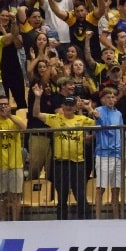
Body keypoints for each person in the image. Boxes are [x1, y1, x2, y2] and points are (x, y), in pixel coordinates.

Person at [31, 84, 96, 220]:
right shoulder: (56, 118)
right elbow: (36, 114)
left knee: (80, 195)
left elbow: (99, 121)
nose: (68, 107)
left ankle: (87, 224)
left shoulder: (82, 119)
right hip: (60, 164)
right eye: (66, 104)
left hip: (78, 163)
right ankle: (61, 225)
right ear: (62, 105)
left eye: (71, 105)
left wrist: (88, 107)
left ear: (75, 107)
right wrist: (38, 98)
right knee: (62, 197)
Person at [0, 95, 26, 221]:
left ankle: (15, 222)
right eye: (0, 104)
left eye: (6, 104)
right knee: (1, 195)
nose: (3, 106)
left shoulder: (14, 119)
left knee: (16, 195)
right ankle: (3, 221)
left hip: (16, 163)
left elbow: (24, 127)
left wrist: (9, 116)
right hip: (0, 163)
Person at [92, 87, 124, 219]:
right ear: (103, 99)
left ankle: (116, 218)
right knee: (101, 188)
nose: (111, 99)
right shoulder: (99, 110)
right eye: (108, 97)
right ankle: (98, 218)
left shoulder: (119, 114)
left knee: (116, 189)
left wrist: (123, 151)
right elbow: (97, 118)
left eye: (113, 97)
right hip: (103, 154)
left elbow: (120, 132)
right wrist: (90, 110)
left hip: (117, 154)